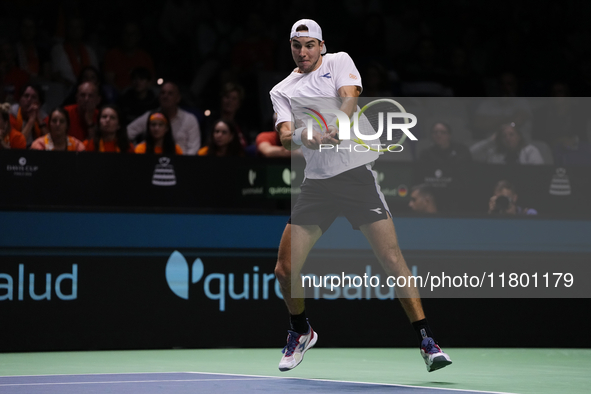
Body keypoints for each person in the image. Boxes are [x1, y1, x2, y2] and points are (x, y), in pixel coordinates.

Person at [269, 19, 451, 373]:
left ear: (321, 45)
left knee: (391, 259)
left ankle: (428, 341)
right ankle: (300, 330)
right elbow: (285, 136)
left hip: (356, 178)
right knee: (284, 268)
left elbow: (350, 96)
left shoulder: (339, 61)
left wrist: (338, 124)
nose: (303, 51)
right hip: (317, 184)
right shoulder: (282, 89)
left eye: (309, 44)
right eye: (296, 45)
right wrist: (310, 136)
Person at [127, 81, 200, 155]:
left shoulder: (190, 119)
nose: (165, 96)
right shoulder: (150, 116)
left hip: (181, 162)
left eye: (170, 93)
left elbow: (193, 149)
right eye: (163, 93)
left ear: (178, 98)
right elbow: (127, 133)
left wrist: (181, 163)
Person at [104, 22, 155, 92]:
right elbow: (109, 80)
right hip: (119, 94)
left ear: (138, 36)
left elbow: (151, 81)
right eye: (126, 33)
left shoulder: (145, 57)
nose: (129, 37)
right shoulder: (112, 55)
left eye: (133, 34)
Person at [51, 17, 99, 88]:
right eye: (71, 27)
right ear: (67, 30)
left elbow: (96, 75)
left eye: (77, 28)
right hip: (67, 90)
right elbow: (55, 75)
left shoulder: (90, 51)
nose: (74, 30)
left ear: (82, 31)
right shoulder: (58, 50)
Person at [470, 122, 544, 164]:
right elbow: (471, 154)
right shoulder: (494, 153)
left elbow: (538, 172)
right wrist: (490, 140)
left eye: (511, 134)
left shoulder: (530, 151)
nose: (508, 138)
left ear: (519, 137)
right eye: (504, 136)